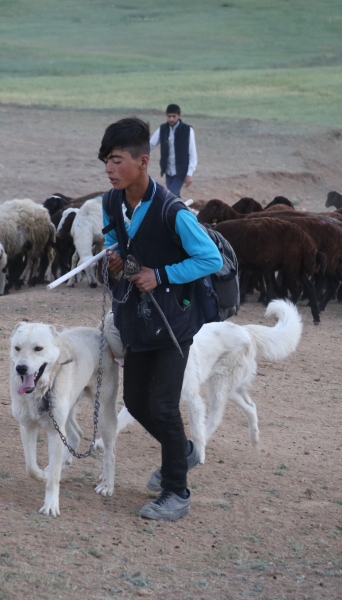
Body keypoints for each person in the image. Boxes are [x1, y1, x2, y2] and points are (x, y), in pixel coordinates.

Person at [98, 117, 222, 521]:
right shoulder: (110, 201)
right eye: (105, 161)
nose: (109, 169)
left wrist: (162, 274)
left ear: (143, 161)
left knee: (165, 406)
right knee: (135, 400)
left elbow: (210, 258)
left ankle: (176, 492)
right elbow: (115, 239)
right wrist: (115, 258)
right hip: (135, 318)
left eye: (116, 160)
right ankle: (183, 451)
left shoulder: (173, 211)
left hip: (173, 321)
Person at [149, 104, 197, 198]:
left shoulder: (187, 130)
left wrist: (189, 174)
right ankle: (185, 211)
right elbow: (151, 144)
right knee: (175, 196)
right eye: (169, 116)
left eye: (174, 116)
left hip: (181, 171)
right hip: (168, 170)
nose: (171, 119)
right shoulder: (162, 129)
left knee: (170, 195)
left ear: (179, 116)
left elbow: (192, 153)